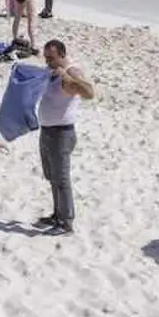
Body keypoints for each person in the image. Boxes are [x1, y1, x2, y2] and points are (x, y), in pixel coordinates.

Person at [34, 39, 94, 235]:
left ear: (62, 55)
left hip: (62, 133)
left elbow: (89, 93)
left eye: (51, 58)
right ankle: (57, 215)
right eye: (46, 58)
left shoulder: (72, 71)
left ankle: (66, 222)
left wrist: (66, 77)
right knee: (52, 177)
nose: (47, 62)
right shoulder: (51, 70)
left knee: (61, 179)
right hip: (47, 130)